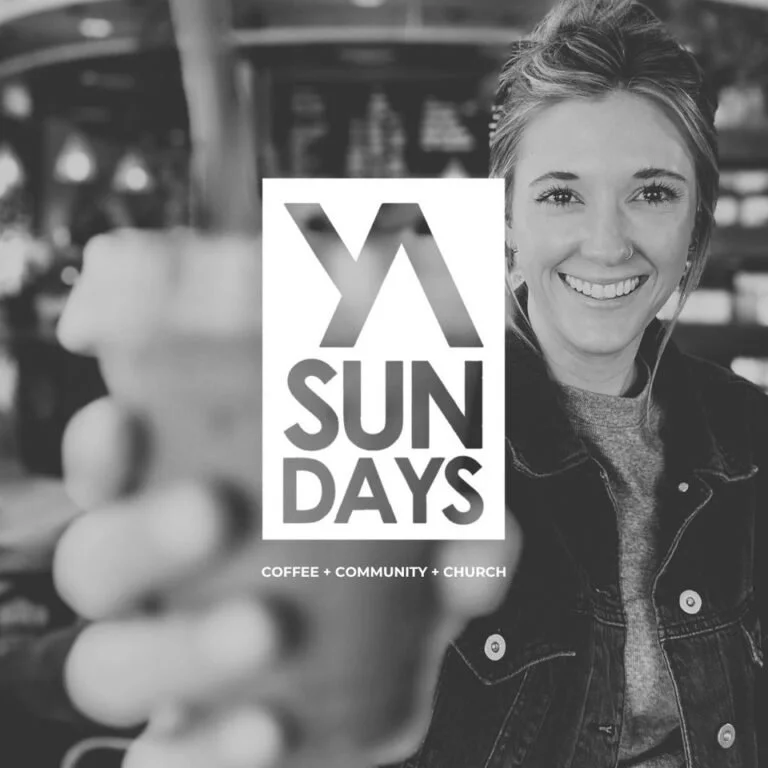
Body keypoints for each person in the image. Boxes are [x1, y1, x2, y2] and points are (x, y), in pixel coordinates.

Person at [47, 0, 768, 766]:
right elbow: (303, 659)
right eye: (561, 193)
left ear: (695, 226)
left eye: (652, 192)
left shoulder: (749, 429)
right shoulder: (405, 408)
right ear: (508, 224)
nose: (606, 242)